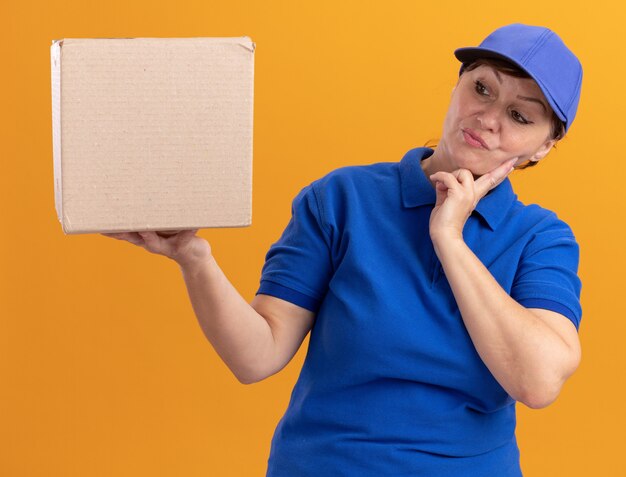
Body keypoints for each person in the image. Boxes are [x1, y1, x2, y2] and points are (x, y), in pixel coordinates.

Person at [103, 23, 583, 476]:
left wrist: (449, 239)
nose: (489, 118)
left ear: (542, 148)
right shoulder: (342, 199)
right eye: (482, 89)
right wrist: (193, 257)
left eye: (520, 116)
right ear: (457, 85)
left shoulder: (541, 237)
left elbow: (537, 382)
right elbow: (257, 357)